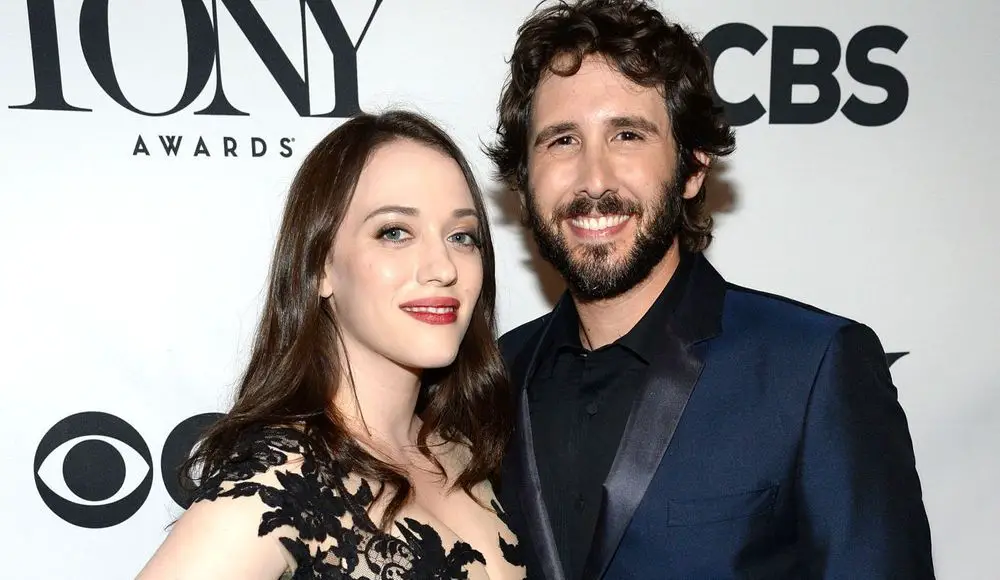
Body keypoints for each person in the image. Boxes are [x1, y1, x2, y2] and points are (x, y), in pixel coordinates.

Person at [483, 1, 935, 578]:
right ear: (524, 178)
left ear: (693, 167)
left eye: (627, 135)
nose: (593, 179)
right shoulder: (496, 379)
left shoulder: (812, 369)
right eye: (562, 141)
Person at [138, 110, 528, 580]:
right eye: (395, 232)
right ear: (321, 267)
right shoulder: (281, 481)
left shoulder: (462, 450)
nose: (442, 267)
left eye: (461, 236)